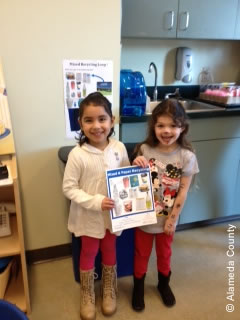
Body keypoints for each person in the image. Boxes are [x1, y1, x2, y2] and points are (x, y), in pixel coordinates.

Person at [62, 92, 130, 320]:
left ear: (112, 120)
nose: (97, 126)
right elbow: (69, 189)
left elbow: (127, 178)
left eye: (102, 119)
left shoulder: (119, 148)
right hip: (88, 218)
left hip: (113, 217)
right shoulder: (77, 155)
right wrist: (96, 202)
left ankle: (109, 289)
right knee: (89, 251)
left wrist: (138, 164)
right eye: (89, 120)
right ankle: (88, 291)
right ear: (80, 123)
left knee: (110, 250)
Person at [131, 99, 199, 311]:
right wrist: (135, 163)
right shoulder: (145, 149)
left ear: (183, 127)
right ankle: (138, 287)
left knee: (164, 253)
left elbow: (183, 192)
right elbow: (132, 182)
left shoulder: (186, 156)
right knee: (141, 254)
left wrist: (172, 220)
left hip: (167, 220)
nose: (167, 130)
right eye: (161, 125)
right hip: (144, 217)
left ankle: (163, 284)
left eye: (173, 125)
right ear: (153, 126)